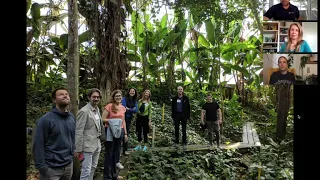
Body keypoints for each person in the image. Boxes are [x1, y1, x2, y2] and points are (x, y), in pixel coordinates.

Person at [33, 87, 75, 180]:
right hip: (51, 169)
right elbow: (38, 145)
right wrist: (42, 168)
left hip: (68, 166)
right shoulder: (45, 120)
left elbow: (72, 139)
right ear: (54, 100)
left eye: (66, 94)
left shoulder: (71, 118)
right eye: (61, 94)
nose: (65, 95)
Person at [74, 88, 105, 180]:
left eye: (98, 97)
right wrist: (78, 148)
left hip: (97, 144)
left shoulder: (97, 109)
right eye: (94, 97)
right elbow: (79, 130)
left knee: (93, 167)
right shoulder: (84, 111)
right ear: (89, 97)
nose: (96, 99)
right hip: (87, 145)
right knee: (86, 170)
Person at [102, 90, 128, 180]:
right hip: (110, 131)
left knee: (116, 154)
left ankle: (114, 175)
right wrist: (113, 121)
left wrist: (125, 133)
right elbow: (103, 119)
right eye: (116, 96)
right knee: (109, 154)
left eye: (120, 96)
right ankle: (107, 177)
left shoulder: (122, 107)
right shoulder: (109, 106)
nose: (118, 97)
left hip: (120, 131)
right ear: (113, 97)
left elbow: (123, 121)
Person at [171, 86, 190, 150]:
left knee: (184, 129)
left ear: (183, 90)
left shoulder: (186, 98)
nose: (180, 90)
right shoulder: (174, 98)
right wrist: (173, 116)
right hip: (177, 115)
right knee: (176, 128)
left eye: (181, 89)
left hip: (184, 116)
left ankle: (184, 142)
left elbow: (188, 108)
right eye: (179, 89)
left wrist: (188, 116)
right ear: (177, 90)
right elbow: (172, 108)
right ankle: (177, 142)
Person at [121, 88, 138, 155]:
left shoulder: (134, 100)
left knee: (126, 133)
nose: (132, 92)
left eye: (133, 91)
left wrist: (129, 109)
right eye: (131, 91)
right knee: (121, 133)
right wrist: (131, 109)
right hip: (122, 118)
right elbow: (124, 108)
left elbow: (136, 110)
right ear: (128, 92)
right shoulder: (124, 99)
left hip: (128, 118)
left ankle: (125, 150)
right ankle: (119, 150)